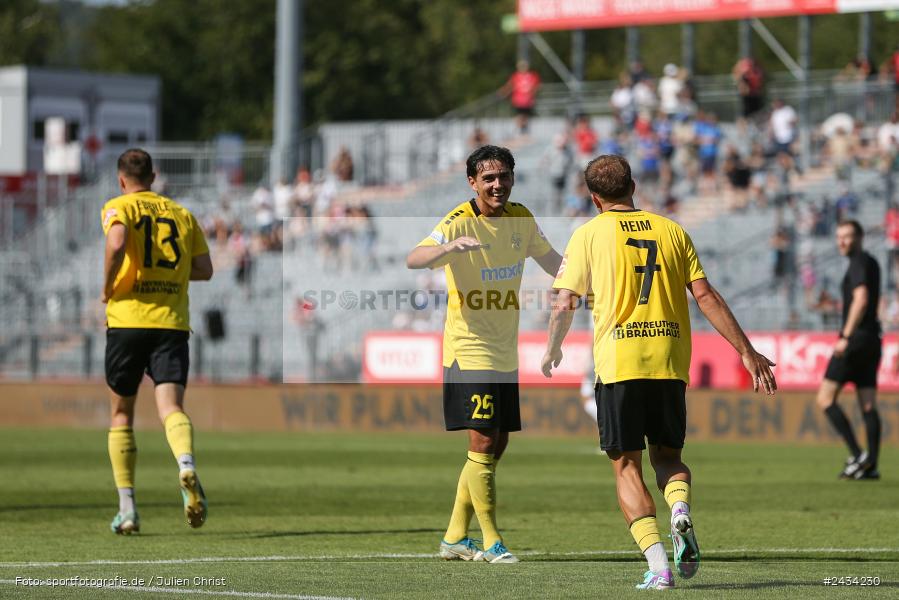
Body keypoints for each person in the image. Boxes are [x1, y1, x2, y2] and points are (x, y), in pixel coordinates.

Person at [541, 155, 776, 589]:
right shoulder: (672, 230)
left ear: (594, 198)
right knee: (668, 457)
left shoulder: (588, 234)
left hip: (619, 364)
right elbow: (706, 296)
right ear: (634, 186)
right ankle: (680, 511)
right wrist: (747, 351)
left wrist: (553, 348)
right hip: (669, 361)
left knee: (626, 467)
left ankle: (658, 567)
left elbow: (564, 301)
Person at [406, 145, 562, 564]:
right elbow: (414, 258)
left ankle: (455, 536)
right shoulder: (458, 221)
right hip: (467, 350)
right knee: (483, 440)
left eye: (504, 176)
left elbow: (553, 263)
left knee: (498, 442)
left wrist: (589, 281)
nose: (498, 184)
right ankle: (492, 540)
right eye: (488, 178)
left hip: (503, 352)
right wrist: (447, 251)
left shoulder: (522, 218)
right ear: (472, 183)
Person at [101, 149, 213, 534]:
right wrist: (170, 279)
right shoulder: (182, 214)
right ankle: (185, 464)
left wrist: (107, 285)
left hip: (128, 320)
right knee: (171, 407)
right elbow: (205, 269)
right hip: (170, 323)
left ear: (121, 180)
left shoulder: (120, 207)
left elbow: (117, 243)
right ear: (154, 176)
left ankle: (128, 508)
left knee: (121, 414)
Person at [815, 220, 882, 480]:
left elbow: (862, 298)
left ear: (860, 237)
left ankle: (857, 455)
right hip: (872, 340)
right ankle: (872, 465)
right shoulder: (872, 262)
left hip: (855, 341)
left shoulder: (858, 263)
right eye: (839, 236)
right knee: (867, 404)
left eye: (847, 236)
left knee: (825, 399)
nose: (842, 241)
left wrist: (845, 335)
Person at [501, 61, 541, 135]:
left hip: (528, 100)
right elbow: (510, 85)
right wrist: (504, 92)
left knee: (525, 117)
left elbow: (537, 86)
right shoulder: (515, 76)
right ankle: (520, 131)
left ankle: (523, 132)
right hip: (518, 100)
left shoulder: (532, 75)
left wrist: (532, 94)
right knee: (519, 116)